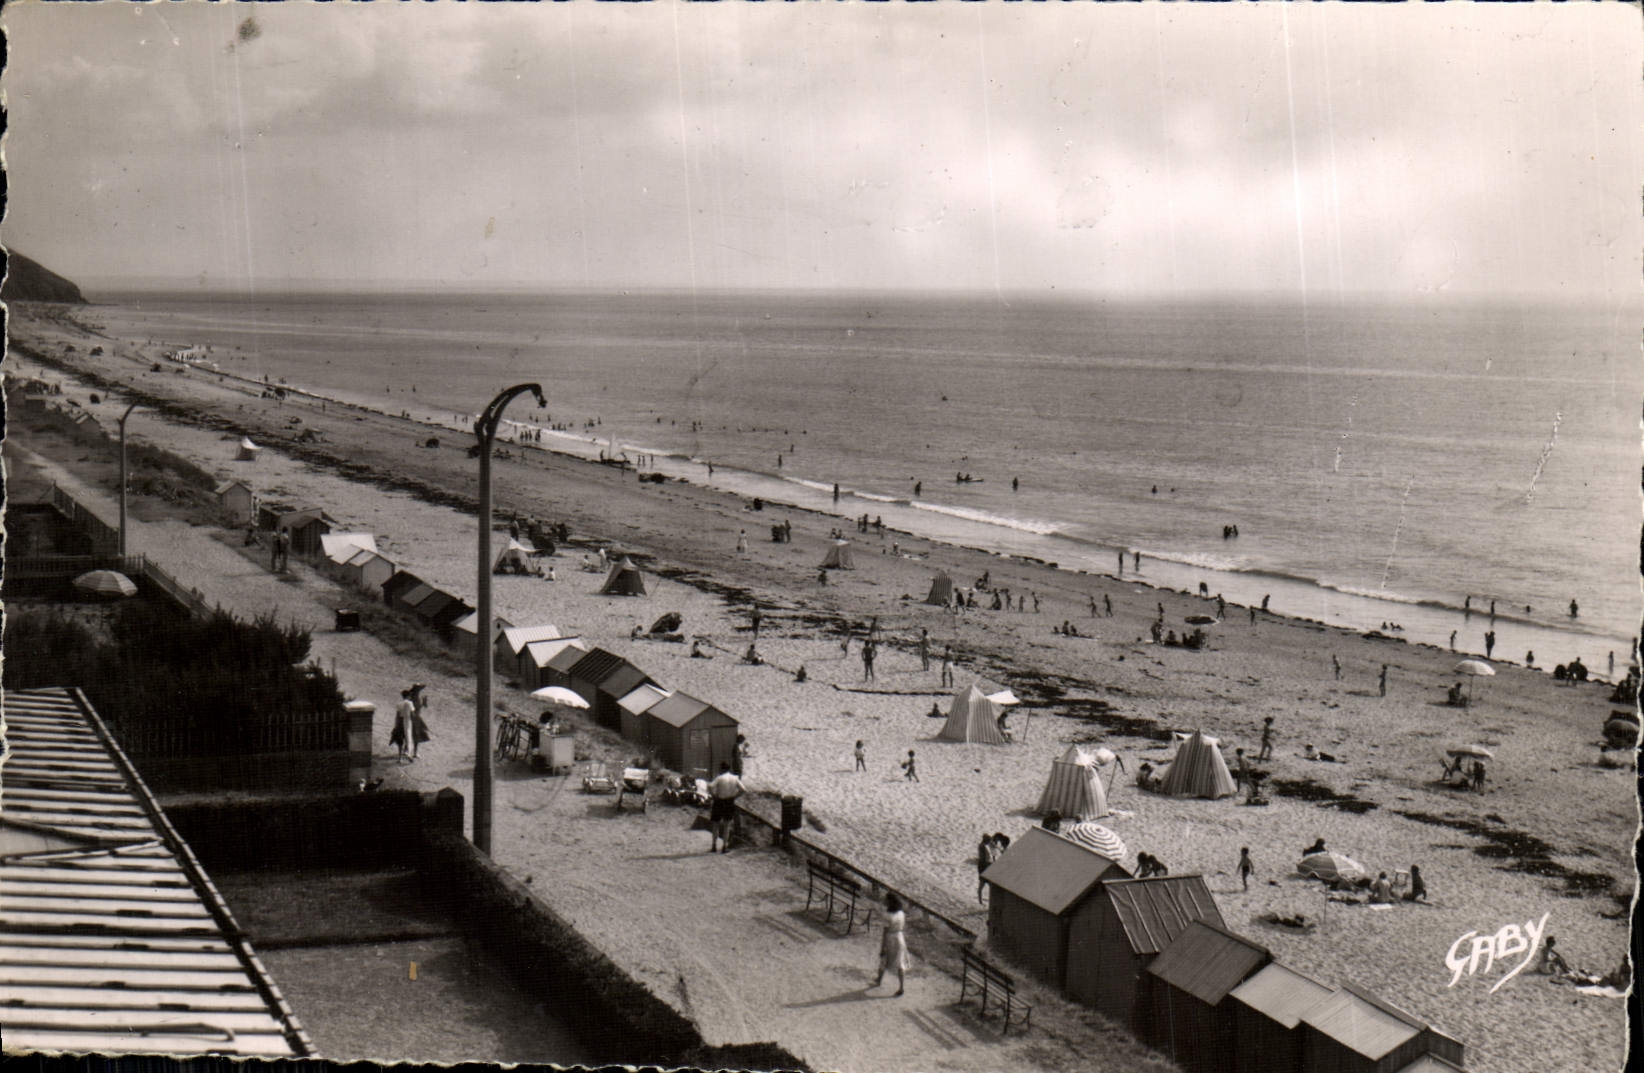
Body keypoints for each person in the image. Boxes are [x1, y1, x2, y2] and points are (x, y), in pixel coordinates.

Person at [872, 893, 909, 995]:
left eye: (886, 900)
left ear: (890, 902)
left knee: (884, 958)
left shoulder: (888, 915)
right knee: (900, 962)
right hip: (900, 937)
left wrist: (882, 947)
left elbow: (885, 932)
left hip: (890, 938)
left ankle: (879, 980)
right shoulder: (901, 913)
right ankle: (901, 987)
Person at [708, 762, 743, 854]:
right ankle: (724, 846)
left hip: (719, 801)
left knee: (716, 824)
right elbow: (743, 789)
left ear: (722, 769)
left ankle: (714, 845)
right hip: (729, 801)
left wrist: (714, 795)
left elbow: (710, 786)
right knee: (727, 825)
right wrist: (735, 796)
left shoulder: (719, 778)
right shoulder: (734, 778)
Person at [391, 689, 415, 764]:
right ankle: (409, 754)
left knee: (400, 740)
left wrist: (396, 725)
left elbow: (397, 716)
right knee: (408, 737)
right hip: (407, 721)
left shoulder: (399, 704)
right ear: (408, 696)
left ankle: (400, 758)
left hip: (400, 722)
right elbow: (412, 714)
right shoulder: (410, 703)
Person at [977, 835, 995, 904]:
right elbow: (984, 859)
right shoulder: (982, 847)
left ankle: (980, 901)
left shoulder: (983, 846)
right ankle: (980, 901)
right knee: (983, 885)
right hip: (984, 868)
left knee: (982, 885)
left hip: (984, 867)